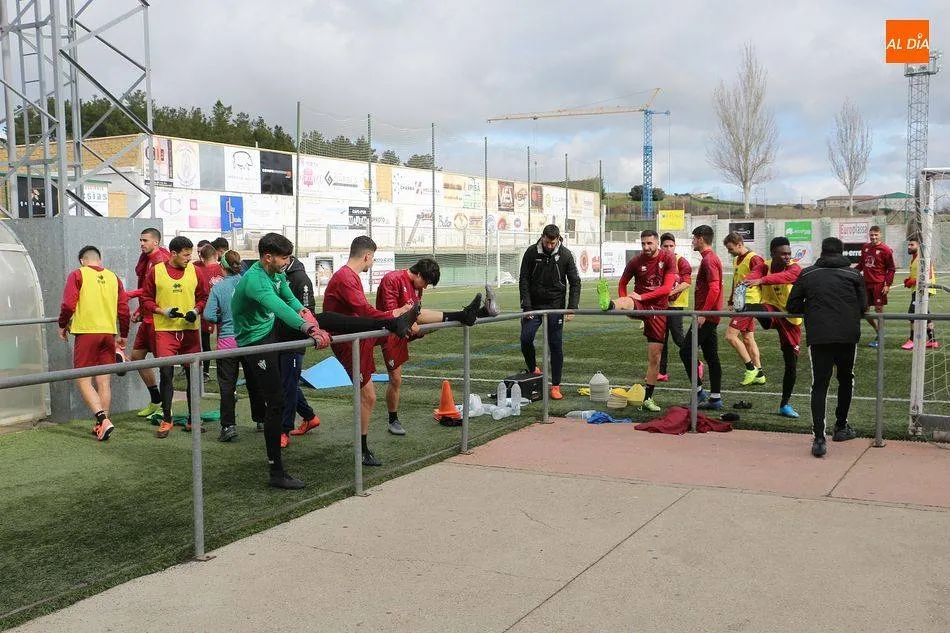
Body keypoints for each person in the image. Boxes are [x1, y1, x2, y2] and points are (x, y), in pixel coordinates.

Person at [233, 233, 418, 488]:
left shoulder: (275, 272)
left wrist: (307, 314)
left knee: (328, 317)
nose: (288, 262)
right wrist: (309, 329)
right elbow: (279, 307)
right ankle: (276, 472)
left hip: (271, 328)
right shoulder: (255, 280)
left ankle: (390, 322)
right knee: (276, 401)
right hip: (254, 340)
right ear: (268, 257)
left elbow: (290, 300)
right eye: (284, 258)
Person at [322, 236, 426, 467]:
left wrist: (396, 315)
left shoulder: (349, 276)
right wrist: (392, 316)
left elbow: (362, 312)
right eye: (373, 258)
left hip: (361, 338)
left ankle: (460, 316)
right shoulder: (345, 277)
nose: (372, 262)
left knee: (414, 322)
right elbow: (364, 310)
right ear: (367, 256)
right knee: (368, 395)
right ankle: (362, 449)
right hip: (349, 343)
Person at [375, 257, 498, 436]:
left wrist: (413, 323)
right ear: (417, 273)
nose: (424, 287)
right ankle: (393, 419)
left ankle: (475, 314)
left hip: (408, 328)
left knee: (436, 323)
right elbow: (391, 314)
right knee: (396, 379)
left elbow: (416, 314)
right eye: (425, 282)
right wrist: (410, 322)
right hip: (392, 332)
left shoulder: (417, 287)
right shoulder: (392, 279)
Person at [787, 237, 866, 457]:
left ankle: (819, 438)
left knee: (820, 384)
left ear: (822, 252)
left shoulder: (808, 274)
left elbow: (791, 306)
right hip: (847, 336)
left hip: (820, 336)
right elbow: (863, 307)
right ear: (842, 253)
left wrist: (813, 304)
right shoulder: (854, 275)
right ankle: (841, 427)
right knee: (846, 378)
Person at [596, 230, 676, 412]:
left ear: (657, 243)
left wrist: (643, 296)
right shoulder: (635, 261)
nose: (646, 247)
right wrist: (628, 300)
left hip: (659, 311)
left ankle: (648, 398)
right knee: (626, 300)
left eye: (649, 243)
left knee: (655, 356)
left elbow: (666, 289)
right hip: (639, 305)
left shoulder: (668, 259)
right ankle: (608, 304)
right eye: (643, 244)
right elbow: (623, 282)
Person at [57, 246, 130, 441]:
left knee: (82, 379)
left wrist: (62, 325)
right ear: (99, 259)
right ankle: (102, 424)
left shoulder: (77, 274)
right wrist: (123, 334)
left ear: (82, 260)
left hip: (86, 332)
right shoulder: (113, 277)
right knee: (104, 381)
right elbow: (123, 309)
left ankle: (102, 419)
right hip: (108, 333)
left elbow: (68, 304)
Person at [140, 236, 209, 438]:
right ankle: (167, 419)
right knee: (167, 375)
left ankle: (192, 419)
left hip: (189, 332)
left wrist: (196, 311)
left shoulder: (196, 271)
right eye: (186, 255)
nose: (190, 258)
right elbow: (145, 299)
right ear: (174, 254)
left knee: (192, 376)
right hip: (165, 332)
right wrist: (162, 311)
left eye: (191, 254)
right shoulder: (156, 272)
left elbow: (203, 297)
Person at [741, 237, 803, 418]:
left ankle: (785, 404)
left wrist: (761, 281)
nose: (787, 257)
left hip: (791, 319)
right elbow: (753, 274)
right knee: (757, 309)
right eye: (783, 254)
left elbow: (786, 277)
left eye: (789, 253)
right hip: (770, 310)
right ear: (773, 254)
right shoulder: (764, 265)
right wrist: (746, 281)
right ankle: (744, 308)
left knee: (791, 365)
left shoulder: (794, 268)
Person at [519, 224, 581, 400]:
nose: (549, 246)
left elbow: (575, 282)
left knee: (555, 345)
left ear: (558, 239)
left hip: (555, 306)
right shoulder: (531, 252)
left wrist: (571, 307)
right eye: (547, 242)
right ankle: (533, 369)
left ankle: (555, 386)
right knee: (525, 338)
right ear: (542, 237)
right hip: (534, 306)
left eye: (553, 243)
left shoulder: (566, 255)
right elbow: (523, 280)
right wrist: (527, 307)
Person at [203, 250, 257, 442]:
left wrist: (222, 318)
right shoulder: (249, 283)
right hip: (250, 340)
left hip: (227, 343)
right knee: (255, 382)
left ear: (222, 267)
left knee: (227, 386)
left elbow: (208, 315)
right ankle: (260, 419)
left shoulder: (218, 288)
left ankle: (228, 426)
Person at [276, 253, 321, 446]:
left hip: (294, 341)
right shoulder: (277, 275)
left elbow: (307, 309)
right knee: (287, 384)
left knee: (288, 385)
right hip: (278, 339)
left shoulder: (300, 278)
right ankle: (310, 417)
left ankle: (283, 430)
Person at [680, 225, 724, 409]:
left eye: (693, 238)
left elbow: (714, 288)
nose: (692, 241)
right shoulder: (710, 258)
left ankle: (698, 392)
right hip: (710, 315)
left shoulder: (709, 260)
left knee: (685, 351)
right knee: (711, 356)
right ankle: (715, 399)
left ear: (700, 239)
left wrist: (703, 314)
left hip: (707, 316)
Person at [128, 227, 170, 418]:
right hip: (147, 317)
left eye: (145, 240)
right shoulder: (147, 259)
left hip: (158, 320)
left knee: (164, 364)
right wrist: (139, 310)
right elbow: (147, 292)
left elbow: (148, 290)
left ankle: (165, 408)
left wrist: (127, 295)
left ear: (156, 242)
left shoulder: (160, 260)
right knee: (136, 358)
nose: (141, 243)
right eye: (140, 240)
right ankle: (156, 400)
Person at [722, 231, 766, 386]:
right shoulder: (737, 260)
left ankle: (750, 368)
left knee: (730, 336)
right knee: (748, 338)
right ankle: (760, 374)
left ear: (739, 244)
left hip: (749, 303)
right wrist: (730, 300)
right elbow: (736, 281)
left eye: (730, 248)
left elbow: (762, 279)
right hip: (741, 303)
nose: (729, 251)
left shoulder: (754, 258)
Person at [658, 233, 692, 382]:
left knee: (678, 338)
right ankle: (662, 372)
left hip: (675, 305)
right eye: (665, 246)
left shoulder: (681, 261)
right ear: (661, 246)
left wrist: (669, 292)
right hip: (661, 306)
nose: (668, 248)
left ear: (675, 246)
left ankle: (696, 363)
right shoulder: (658, 261)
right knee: (661, 339)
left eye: (671, 246)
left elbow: (686, 282)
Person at [855, 225, 895, 347]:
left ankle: (880, 336)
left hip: (878, 284)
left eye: (876, 235)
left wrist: (887, 285)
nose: (873, 237)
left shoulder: (886, 250)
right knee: (864, 311)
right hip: (865, 284)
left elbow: (891, 268)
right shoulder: (865, 247)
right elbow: (862, 264)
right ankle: (878, 331)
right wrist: (851, 272)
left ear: (880, 235)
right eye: (871, 235)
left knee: (878, 310)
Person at [193, 243, 225, 381]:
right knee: (224, 341)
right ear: (216, 255)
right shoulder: (223, 269)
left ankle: (205, 372)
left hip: (206, 310)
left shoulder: (198, 270)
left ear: (201, 256)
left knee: (204, 342)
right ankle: (224, 371)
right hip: (225, 309)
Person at [901, 235, 939, 350]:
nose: (909, 246)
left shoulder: (922, 258)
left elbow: (928, 275)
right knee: (925, 314)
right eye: (909, 244)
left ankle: (912, 340)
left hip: (923, 290)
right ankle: (932, 341)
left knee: (912, 314)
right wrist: (909, 280)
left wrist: (913, 281)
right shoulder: (915, 258)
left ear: (918, 246)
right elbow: (917, 274)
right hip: (919, 290)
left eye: (912, 245)